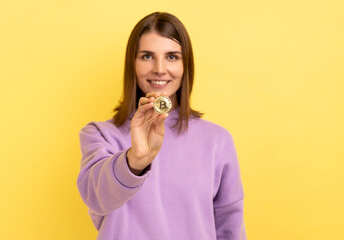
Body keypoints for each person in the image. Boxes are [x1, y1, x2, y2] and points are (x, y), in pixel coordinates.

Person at [77, 12, 247, 240]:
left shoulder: (218, 141)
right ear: (132, 64)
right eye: (147, 56)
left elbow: (230, 227)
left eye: (172, 57)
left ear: (186, 65)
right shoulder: (100, 135)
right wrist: (135, 160)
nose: (159, 68)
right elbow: (96, 198)